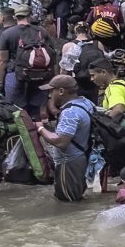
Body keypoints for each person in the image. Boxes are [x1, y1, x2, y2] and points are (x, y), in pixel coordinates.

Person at [36, 73, 97, 202]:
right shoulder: (86, 103)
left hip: (69, 163)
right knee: (76, 198)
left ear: (61, 91)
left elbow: (60, 142)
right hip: (83, 157)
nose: (50, 95)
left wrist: (40, 128)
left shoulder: (70, 112)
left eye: (52, 91)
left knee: (68, 203)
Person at [0, 3, 54, 117]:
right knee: (36, 110)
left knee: (17, 111)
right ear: (30, 16)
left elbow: (2, 60)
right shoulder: (41, 31)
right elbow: (52, 55)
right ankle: (37, 130)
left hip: (15, 74)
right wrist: (52, 78)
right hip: (40, 74)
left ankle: (23, 133)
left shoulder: (7, 34)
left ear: (15, 17)